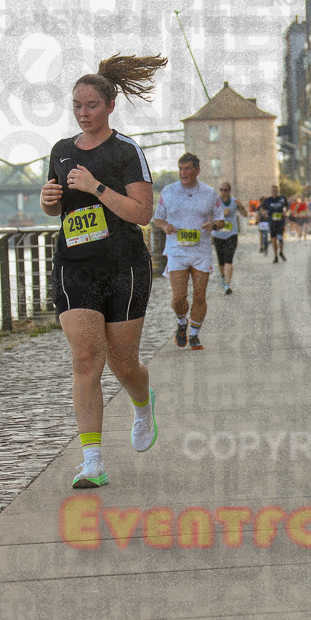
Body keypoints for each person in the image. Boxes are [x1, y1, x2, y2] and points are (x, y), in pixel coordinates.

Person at [39, 52, 167, 488]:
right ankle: (92, 461)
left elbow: (142, 213)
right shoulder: (61, 151)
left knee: (123, 363)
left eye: (91, 105)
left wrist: (96, 187)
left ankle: (142, 402)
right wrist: (48, 200)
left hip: (123, 266)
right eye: (77, 105)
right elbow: (55, 209)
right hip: (75, 264)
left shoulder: (125, 151)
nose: (83, 113)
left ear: (110, 106)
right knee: (85, 357)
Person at [154, 152, 224, 351]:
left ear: (197, 170)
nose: (183, 173)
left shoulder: (209, 193)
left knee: (200, 296)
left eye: (187, 169)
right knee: (179, 298)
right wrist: (165, 226)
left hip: (201, 250)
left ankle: (194, 334)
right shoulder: (168, 191)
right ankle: (182, 322)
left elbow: (220, 220)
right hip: (176, 250)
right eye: (180, 169)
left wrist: (213, 225)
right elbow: (158, 219)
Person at [211, 182, 246, 295]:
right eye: (221, 190)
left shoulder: (234, 201)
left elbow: (245, 214)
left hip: (231, 234)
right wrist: (222, 213)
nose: (223, 192)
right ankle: (222, 277)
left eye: (225, 190)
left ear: (229, 191)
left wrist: (241, 206)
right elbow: (210, 216)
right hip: (218, 234)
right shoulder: (216, 201)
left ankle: (227, 284)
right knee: (221, 261)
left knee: (228, 258)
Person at [261, 185, 288, 262]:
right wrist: (265, 213)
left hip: (280, 222)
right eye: (273, 191)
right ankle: (276, 256)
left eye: (276, 190)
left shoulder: (282, 198)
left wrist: (285, 211)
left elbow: (286, 207)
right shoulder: (268, 200)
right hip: (272, 222)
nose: (275, 192)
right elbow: (262, 209)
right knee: (273, 239)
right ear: (271, 191)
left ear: (278, 191)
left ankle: (281, 252)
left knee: (280, 238)